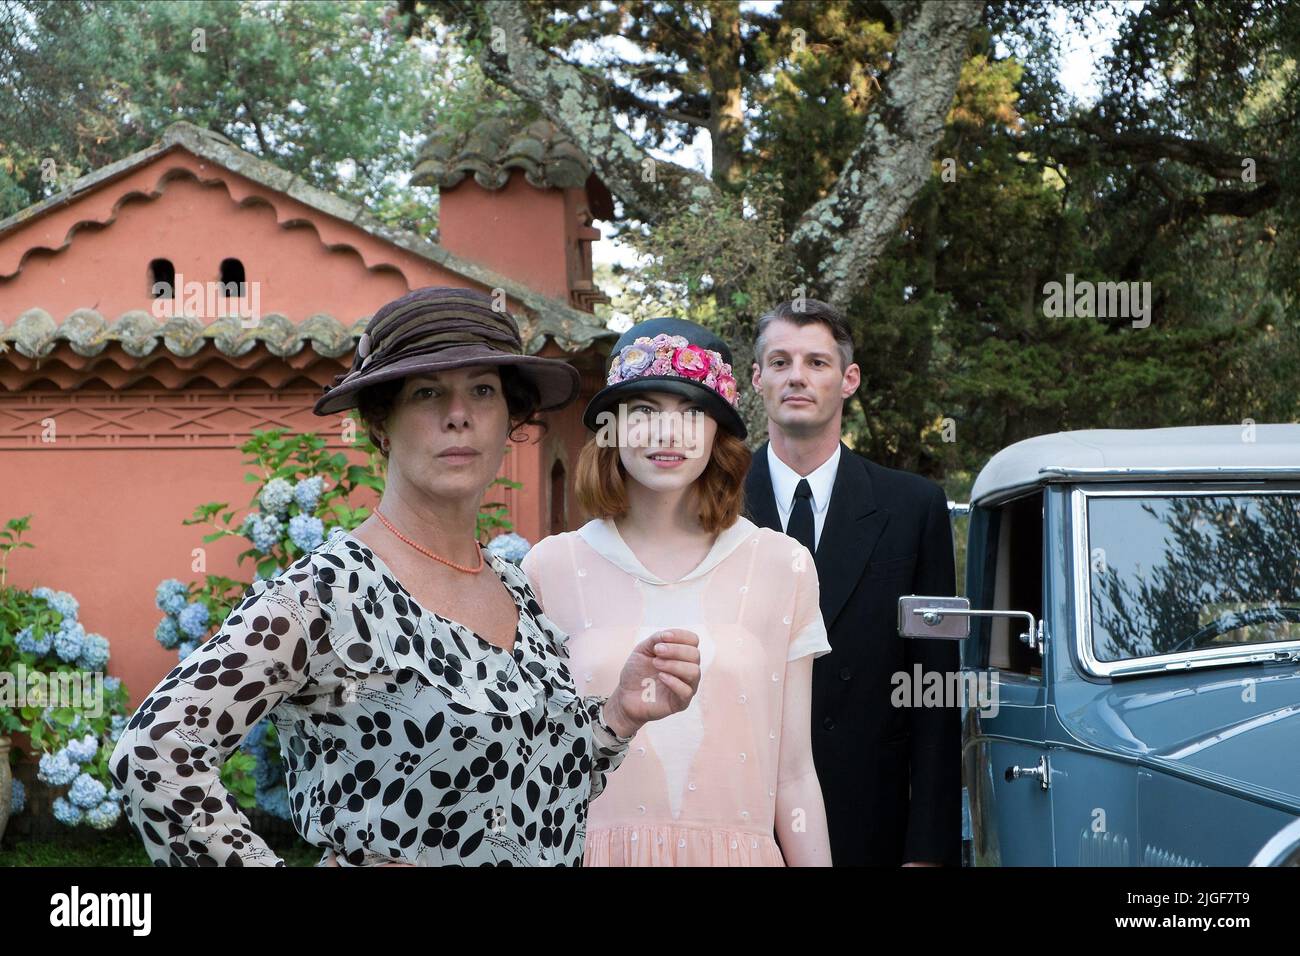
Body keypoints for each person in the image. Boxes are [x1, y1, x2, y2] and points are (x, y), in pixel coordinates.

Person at [109, 286, 700, 866]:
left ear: (509, 419)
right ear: (382, 423)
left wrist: (620, 714)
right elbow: (155, 753)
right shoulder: (327, 594)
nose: (459, 416)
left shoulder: (514, 587)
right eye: (426, 393)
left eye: (483, 391)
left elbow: (534, 796)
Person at [521, 317, 833, 866]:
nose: (668, 435)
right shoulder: (550, 567)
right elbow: (535, 765)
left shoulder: (783, 565)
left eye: (692, 414)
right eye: (642, 412)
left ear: (718, 433)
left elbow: (794, 773)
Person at [742, 297, 961, 867]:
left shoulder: (915, 507)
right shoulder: (710, 503)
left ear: (848, 379)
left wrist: (929, 848)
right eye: (781, 360)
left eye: (817, 362)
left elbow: (936, 684)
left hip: (871, 819)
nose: (798, 376)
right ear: (757, 377)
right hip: (735, 814)